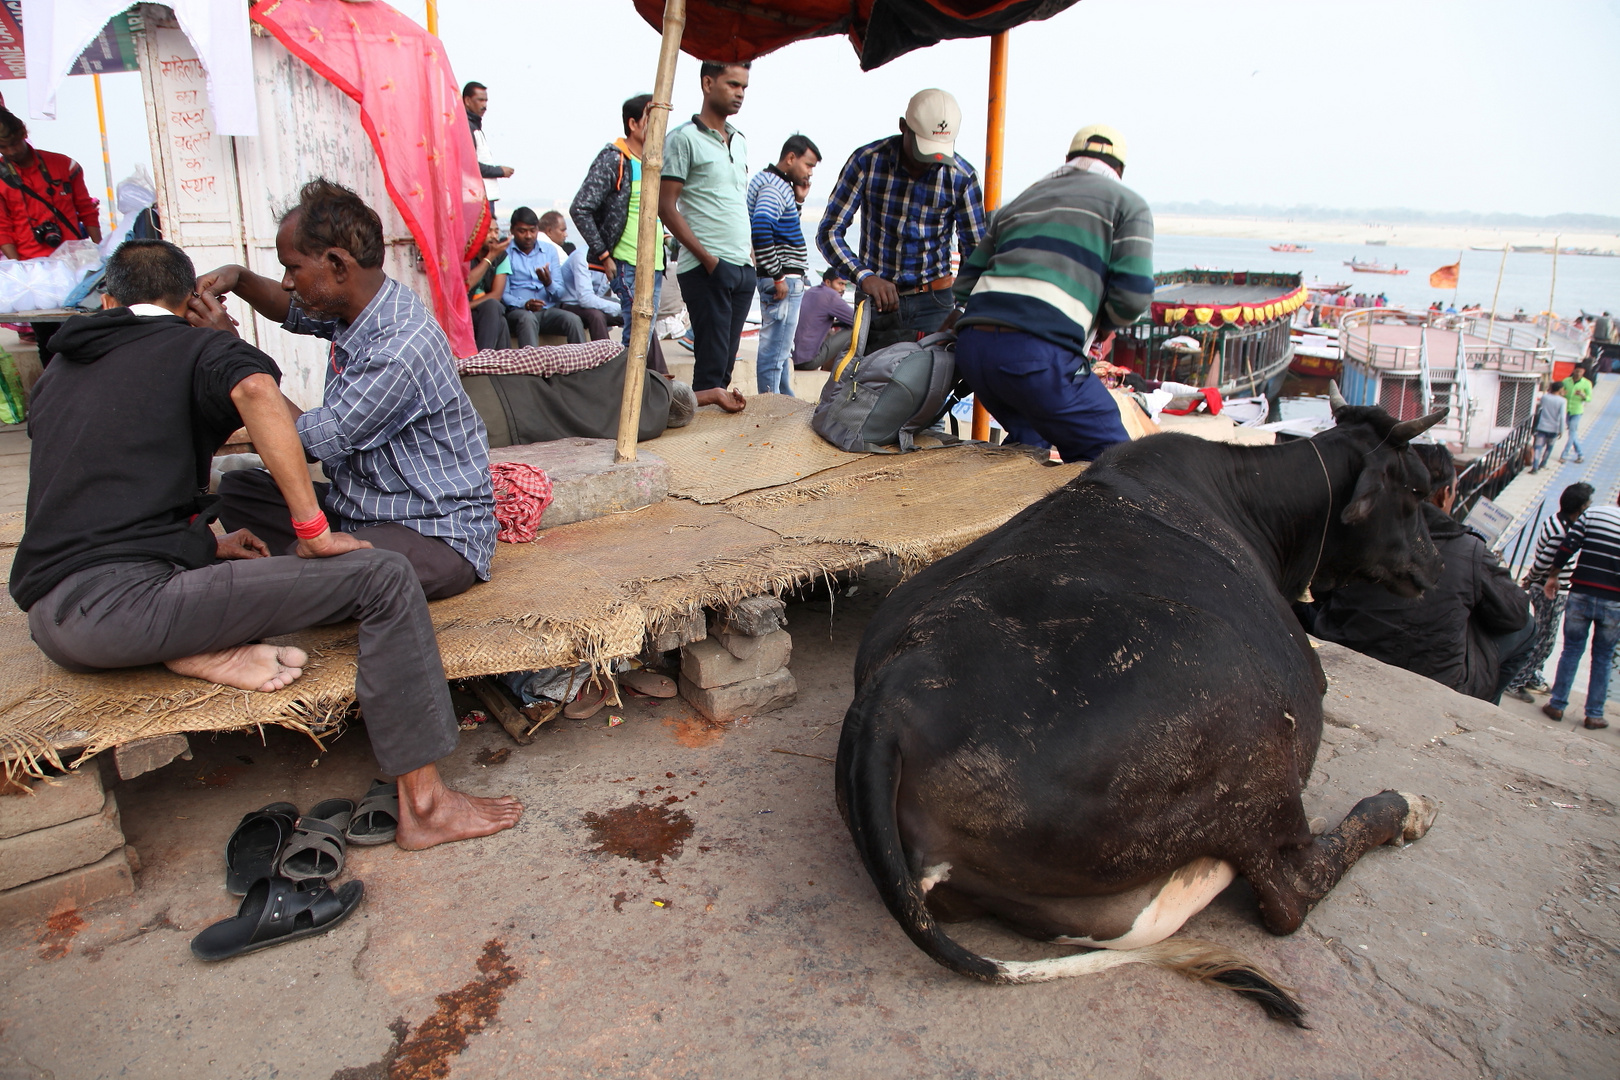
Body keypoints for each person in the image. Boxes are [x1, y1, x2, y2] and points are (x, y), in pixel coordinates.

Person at [12, 238, 520, 849]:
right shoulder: (195, 347)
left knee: (236, 495)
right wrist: (312, 533)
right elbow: (258, 393)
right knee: (381, 577)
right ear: (185, 303)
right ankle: (428, 804)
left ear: (110, 299)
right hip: (128, 607)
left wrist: (204, 549)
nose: (288, 284)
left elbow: (110, 495)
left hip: (53, 615)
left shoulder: (61, 370)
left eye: (291, 270)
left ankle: (194, 637)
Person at [197, 179, 497, 601]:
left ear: (338, 265)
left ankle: (296, 577)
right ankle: (300, 571)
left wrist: (231, 352)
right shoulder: (362, 305)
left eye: (293, 268)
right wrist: (240, 278)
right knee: (240, 490)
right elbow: (290, 309)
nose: (286, 282)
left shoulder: (399, 349)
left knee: (320, 572)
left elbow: (298, 444)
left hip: (431, 532)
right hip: (359, 512)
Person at [944, 124, 1150, 463]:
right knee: (1118, 462)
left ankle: (1007, 508)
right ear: (1120, 171)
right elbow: (1132, 299)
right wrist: (1102, 320)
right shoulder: (1128, 204)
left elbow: (965, 286)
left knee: (1028, 441)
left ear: (1069, 160)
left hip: (976, 352)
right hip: (1039, 355)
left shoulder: (1019, 203)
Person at [1312, 444, 1534, 704]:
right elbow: (1515, 616)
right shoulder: (1469, 550)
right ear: (1444, 494)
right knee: (1526, 627)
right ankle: (1482, 712)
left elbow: (1320, 591)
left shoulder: (1357, 529)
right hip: (1438, 680)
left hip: (1347, 648)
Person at [817, 89, 986, 343]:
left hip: (935, 302)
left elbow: (975, 252)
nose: (929, 163)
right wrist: (866, 277)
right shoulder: (867, 162)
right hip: (877, 303)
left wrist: (962, 307)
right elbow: (829, 233)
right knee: (868, 380)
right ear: (903, 127)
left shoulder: (962, 177)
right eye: (923, 151)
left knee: (934, 381)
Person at [661, 61, 752, 393]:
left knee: (725, 366)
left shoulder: (739, 140)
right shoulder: (684, 138)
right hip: (706, 267)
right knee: (711, 368)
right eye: (732, 84)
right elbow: (665, 207)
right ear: (707, 83)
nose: (739, 93)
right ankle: (695, 440)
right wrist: (709, 260)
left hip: (742, 267)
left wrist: (750, 259)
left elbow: (733, 203)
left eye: (743, 87)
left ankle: (716, 441)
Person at [570, 93, 669, 376]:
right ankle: (620, 399)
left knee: (643, 337)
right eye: (653, 121)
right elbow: (581, 208)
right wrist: (604, 255)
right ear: (634, 124)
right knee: (635, 337)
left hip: (655, 266)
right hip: (627, 264)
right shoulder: (615, 159)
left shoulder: (653, 162)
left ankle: (634, 400)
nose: (660, 129)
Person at [0, 106, 102, 356]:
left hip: (74, 266)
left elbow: (86, 210)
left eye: (14, 143)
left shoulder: (65, 165)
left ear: (24, 132)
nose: (12, 151)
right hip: (33, 273)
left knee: (82, 333)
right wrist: (20, 273)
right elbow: (3, 228)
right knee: (47, 341)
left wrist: (101, 255)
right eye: (3, 147)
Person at [1503, 482, 1593, 703]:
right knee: (1544, 641)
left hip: (1545, 586)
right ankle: (1516, 681)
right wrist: (1532, 579)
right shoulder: (1563, 531)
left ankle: (1530, 675)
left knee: (1542, 636)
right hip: (1549, 591)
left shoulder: (1556, 521)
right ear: (1580, 507)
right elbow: (1545, 562)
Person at [747, 134, 820, 396]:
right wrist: (777, 276)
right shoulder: (773, 187)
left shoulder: (776, 185)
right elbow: (762, 227)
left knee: (779, 352)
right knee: (774, 354)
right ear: (791, 158)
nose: (810, 173)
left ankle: (784, 406)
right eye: (808, 165)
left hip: (783, 277)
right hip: (783, 278)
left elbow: (781, 229)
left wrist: (798, 200)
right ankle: (771, 414)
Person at [1542, 489, 1620, 729]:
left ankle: (1557, 704)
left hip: (1581, 593)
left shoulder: (1594, 514)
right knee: (1604, 656)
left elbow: (1568, 546)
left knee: (1572, 649)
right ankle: (1594, 714)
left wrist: (1553, 576)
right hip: (1614, 601)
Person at [497, 207, 584, 346]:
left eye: (532, 230)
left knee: (573, 320)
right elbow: (503, 294)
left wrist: (548, 283)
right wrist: (525, 304)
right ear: (512, 230)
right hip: (518, 312)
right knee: (527, 319)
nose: (528, 236)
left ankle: (583, 364)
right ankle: (532, 367)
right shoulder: (504, 252)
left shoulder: (549, 250)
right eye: (522, 231)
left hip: (547, 310)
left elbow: (560, 293)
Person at [546, 216, 621, 343]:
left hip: (592, 302)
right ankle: (605, 359)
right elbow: (586, 299)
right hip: (570, 304)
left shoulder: (615, 255)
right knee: (596, 315)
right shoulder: (581, 257)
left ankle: (652, 361)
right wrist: (620, 308)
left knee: (637, 314)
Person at [463, 82, 513, 210]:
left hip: (482, 196)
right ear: (467, 101)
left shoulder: (473, 126)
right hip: (478, 197)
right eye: (480, 100)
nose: (484, 105)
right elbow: (470, 166)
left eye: (485, 101)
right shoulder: (466, 127)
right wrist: (500, 171)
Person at [794, 268, 856, 370]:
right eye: (840, 284)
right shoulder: (832, 296)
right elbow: (858, 321)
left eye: (845, 285)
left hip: (791, 359)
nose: (843, 288)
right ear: (828, 282)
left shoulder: (811, 291)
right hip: (806, 362)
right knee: (855, 330)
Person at [467, 227, 511, 350]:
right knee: (499, 319)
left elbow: (496, 294)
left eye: (496, 231)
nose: (493, 235)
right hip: (463, 313)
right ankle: (489, 362)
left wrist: (468, 306)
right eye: (489, 231)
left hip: (480, 309)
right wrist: (489, 258)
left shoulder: (501, 256)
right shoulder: (465, 254)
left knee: (494, 308)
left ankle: (487, 361)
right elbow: (467, 284)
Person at [1530, 380, 1566, 473]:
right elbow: (1562, 416)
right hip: (1554, 428)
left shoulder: (1545, 397)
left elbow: (1540, 409)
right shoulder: (1562, 401)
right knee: (1549, 447)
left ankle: (1535, 467)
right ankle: (1543, 463)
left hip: (1542, 426)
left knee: (1538, 447)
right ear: (1560, 389)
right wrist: (1561, 430)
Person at [1560, 363, 1592, 464]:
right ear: (1574, 371)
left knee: (1572, 432)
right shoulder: (1566, 381)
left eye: (1581, 372)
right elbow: (1561, 392)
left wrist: (1583, 395)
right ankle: (1580, 454)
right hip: (1566, 410)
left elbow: (1589, 398)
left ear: (1583, 372)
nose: (1578, 373)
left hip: (1577, 411)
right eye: (1577, 371)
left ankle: (1564, 455)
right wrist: (1562, 393)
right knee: (1573, 434)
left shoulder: (1586, 383)